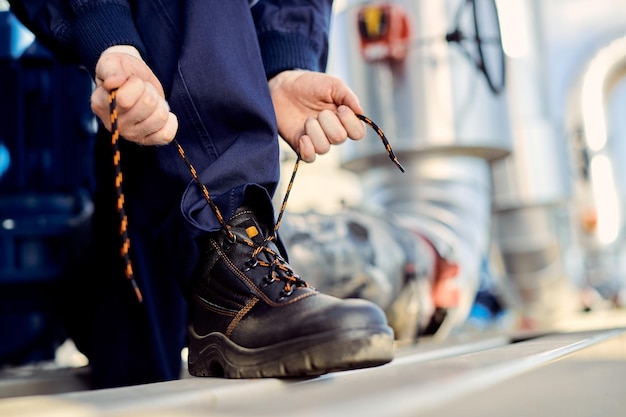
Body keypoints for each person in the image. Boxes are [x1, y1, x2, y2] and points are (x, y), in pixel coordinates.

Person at [8, 0, 395, 388]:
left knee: (136, 371)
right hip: (119, 61)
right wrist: (107, 34)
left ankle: (219, 267)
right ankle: (227, 247)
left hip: (153, 148)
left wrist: (283, 58)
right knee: (136, 362)